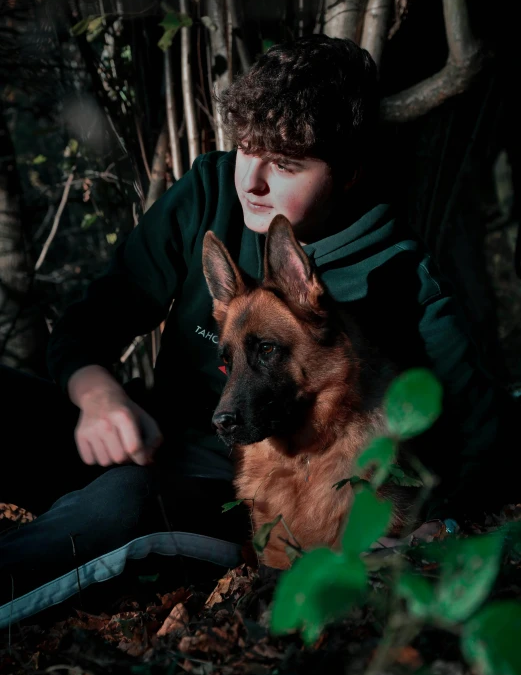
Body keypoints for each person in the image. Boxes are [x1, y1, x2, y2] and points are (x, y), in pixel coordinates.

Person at [0, 35, 514, 628]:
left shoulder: (396, 270)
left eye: (287, 164)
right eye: (247, 149)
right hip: (135, 435)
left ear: (349, 173)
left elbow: (483, 435)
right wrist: (97, 396)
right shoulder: (211, 189)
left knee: (124, 499)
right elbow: (93, 320)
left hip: (219, 500)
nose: (253, 181)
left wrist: (438, 522)